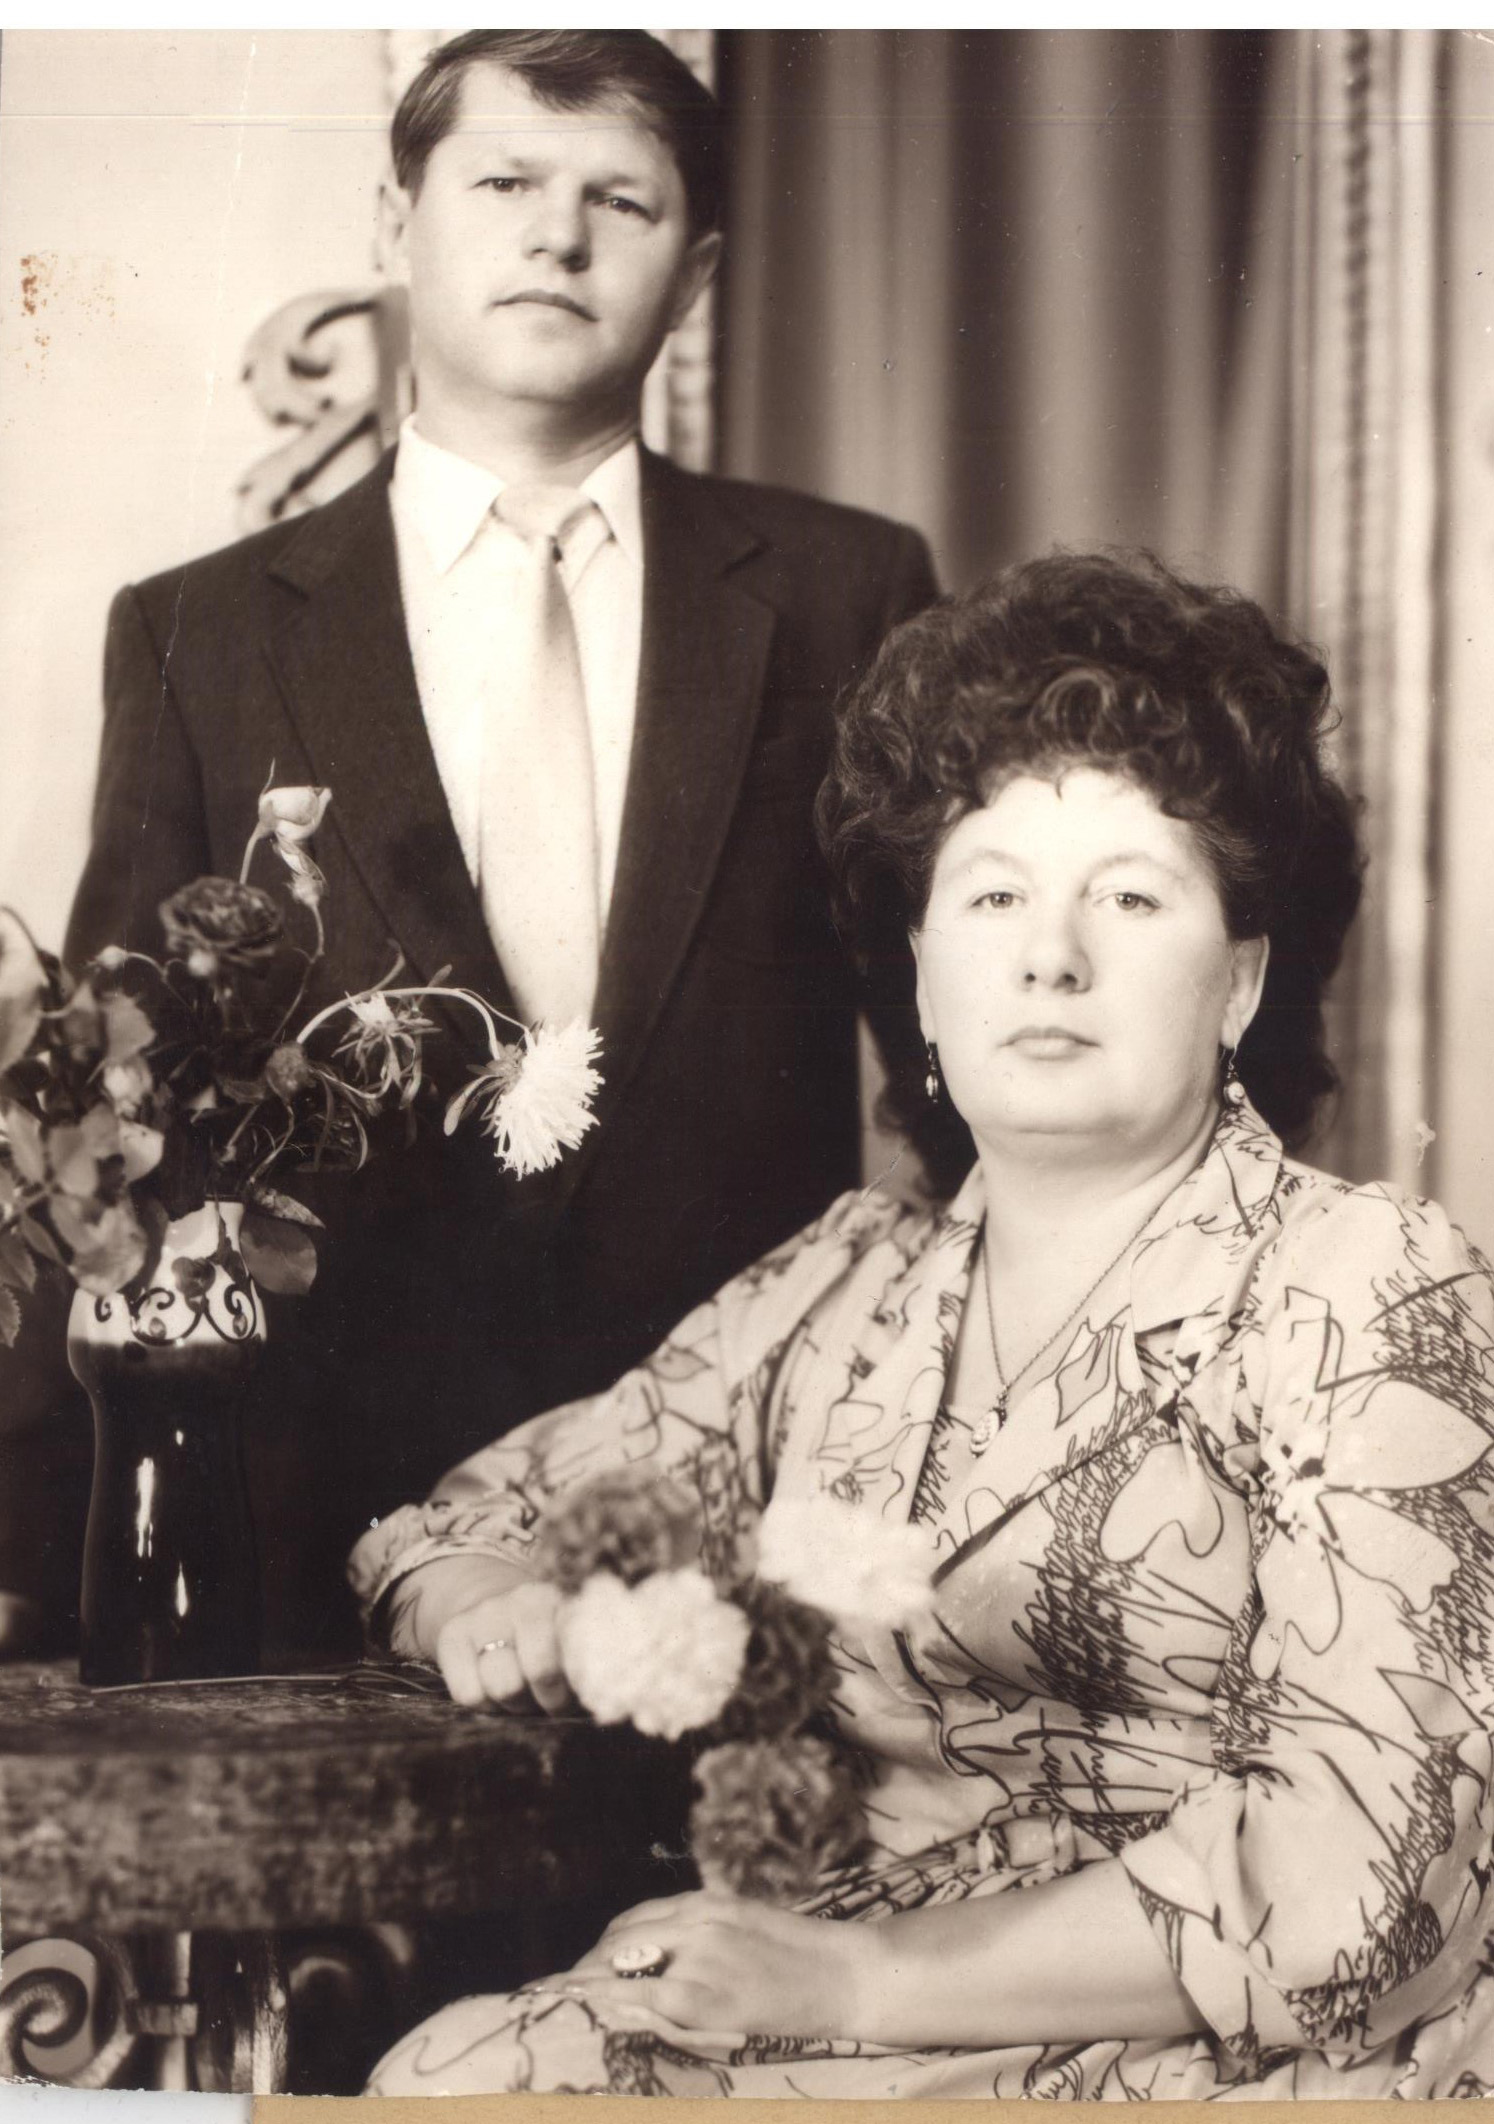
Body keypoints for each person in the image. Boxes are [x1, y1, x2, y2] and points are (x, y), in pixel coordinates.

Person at [350, 552, 1494, 2100]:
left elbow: (1359, 1886)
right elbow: (465, 1522)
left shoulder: (1366, 1284)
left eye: (1130, 896)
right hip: (837, 1978)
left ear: (1236, 984)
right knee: (448, 2078)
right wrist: (486, 1603)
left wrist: (856, 1977)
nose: (1050, 954)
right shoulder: (849, 1285)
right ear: (927, 978)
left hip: (1245, 2047)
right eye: (994, 893)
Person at [0, 30, 936, 1657]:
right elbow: (110, 1128)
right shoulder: (200, 633)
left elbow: (950, 1061)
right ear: (395, 224)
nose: (556, 237)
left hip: (735, 1531)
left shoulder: (845, 594)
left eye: (619, 202)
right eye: (503, 183)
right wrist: (26, 1543)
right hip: (304, 1523)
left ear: (695, 270)